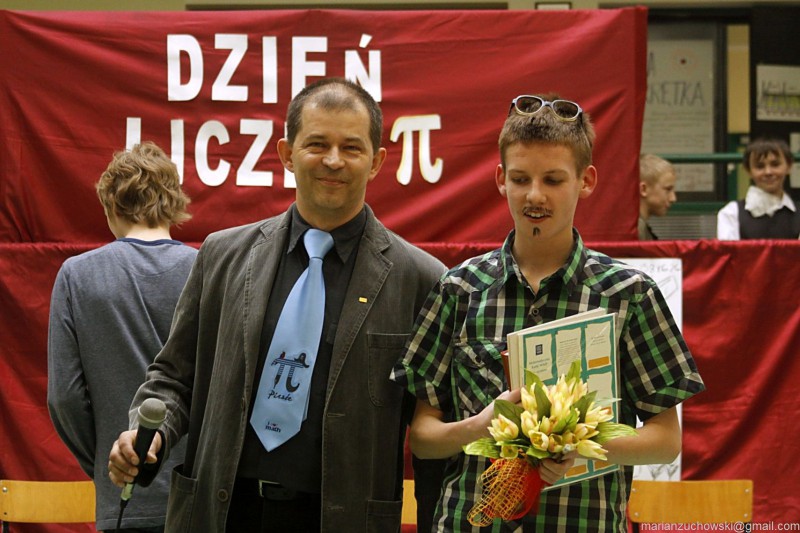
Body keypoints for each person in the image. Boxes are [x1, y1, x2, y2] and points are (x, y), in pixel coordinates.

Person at [107, 77, 446, 532]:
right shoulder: (222, 256)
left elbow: (433, 434)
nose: (333, 160)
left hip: (342, 520)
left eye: (351, 147)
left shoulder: (422, 280)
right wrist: (150, 436)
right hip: (222, 512)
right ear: (287, 153)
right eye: (317, 144)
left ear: (377, 161)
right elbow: (174, 377)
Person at [391, 93, 706, 532]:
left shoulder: (628, 294)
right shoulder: (459, 288)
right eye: (520, 179)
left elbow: (666, 440)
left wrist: (579, 443)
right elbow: (423, 439)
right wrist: (481, 426)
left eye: (554, 180)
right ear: (501, 179)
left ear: (586, 180)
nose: (535, 195)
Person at [48, 141, 195, 532]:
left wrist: (108, 463)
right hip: (199, 494)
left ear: (111, 206)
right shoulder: (209, 269)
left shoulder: (77, 276)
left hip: (122, 498)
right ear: (174, 202)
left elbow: (64, 397)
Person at [717, 137, 800, 240]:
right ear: (748, 171)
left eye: (775, 164)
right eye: (760, 166)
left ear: (789, 166)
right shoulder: (731, 213)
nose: (768, 172)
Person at [638, 153, 677, 240]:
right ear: (643, 189)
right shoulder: (636, 230)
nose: (673, 198)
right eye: (668, 189)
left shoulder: (638, 227)